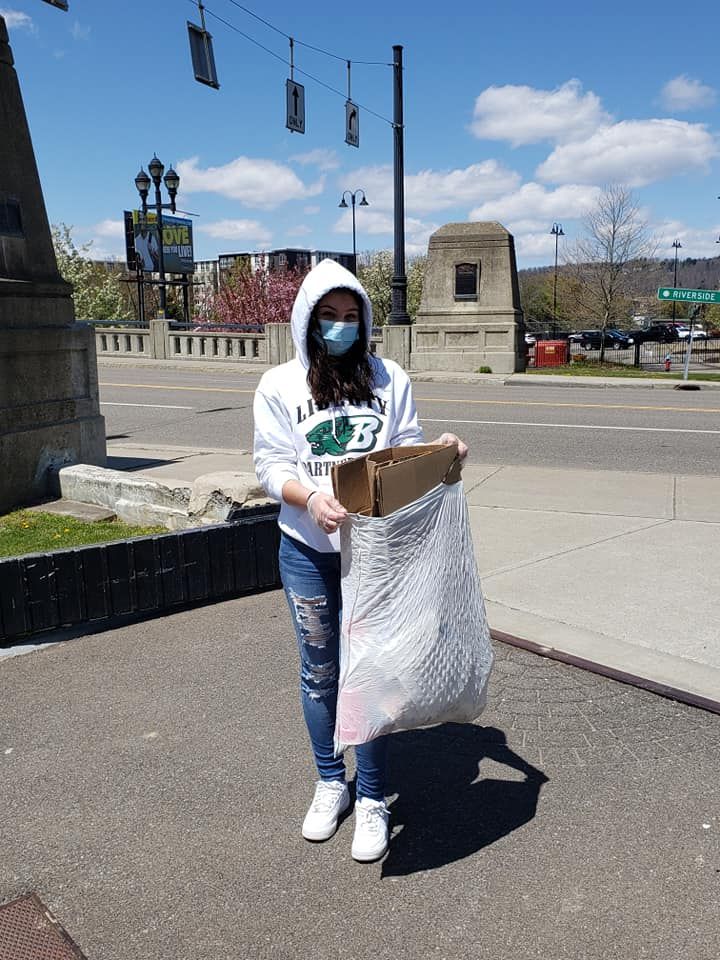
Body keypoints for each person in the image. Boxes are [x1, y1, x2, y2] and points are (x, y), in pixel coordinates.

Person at [253, 259, 467, 862]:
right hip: (308, 552)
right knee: (320, 672)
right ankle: (331, 782)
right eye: (328, 316)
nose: (341, 326)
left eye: (351, 316)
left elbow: (405, 451)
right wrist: (310, 498)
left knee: (373, 670)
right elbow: (271, 464)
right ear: (307, 320)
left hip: (376, 557)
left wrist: (442, 453)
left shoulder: (387, 377)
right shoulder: (280, 385)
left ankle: (372, 796)